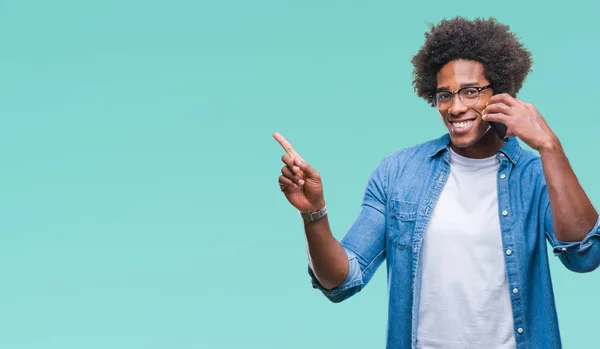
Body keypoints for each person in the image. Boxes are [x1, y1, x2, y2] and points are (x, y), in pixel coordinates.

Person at [273, 16, 600, 349]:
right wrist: (314, 213)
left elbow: (585, 255)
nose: (456, 108)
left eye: (471, 92)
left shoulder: (535, 175)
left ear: (501, 91)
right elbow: (341, 281)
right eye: (444, 95)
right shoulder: (398, 173)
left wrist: (548, 145)